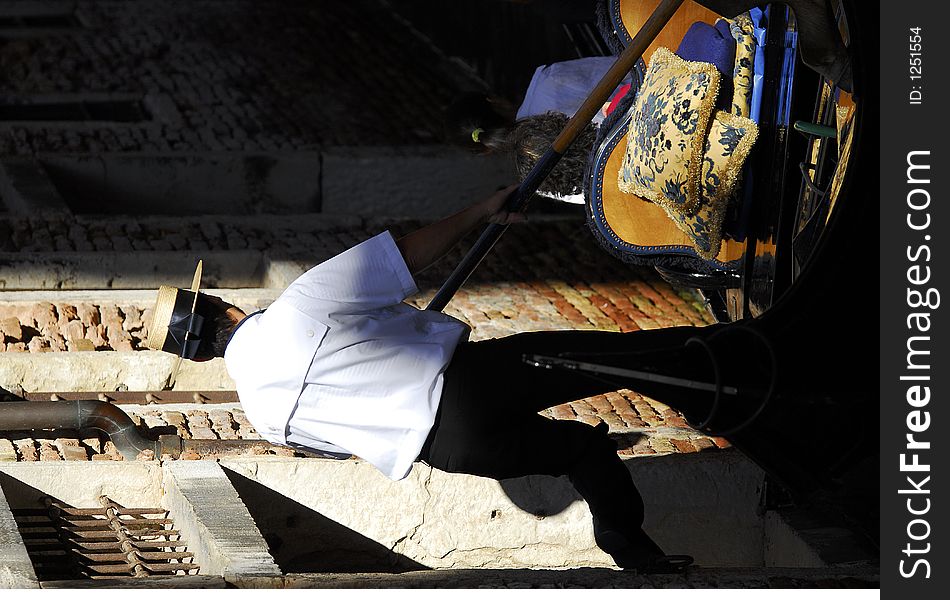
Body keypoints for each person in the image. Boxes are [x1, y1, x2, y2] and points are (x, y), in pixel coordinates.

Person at [146, 185, 704, 572]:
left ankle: (627, 541)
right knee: (614, 356)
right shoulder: (298, 306)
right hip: (471, 384)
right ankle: (709, 368)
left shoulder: (264, 417)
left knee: (582, 453)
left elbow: (344, 449)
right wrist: (481, 210)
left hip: (450, 449)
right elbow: (402, 257)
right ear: (223, 308)